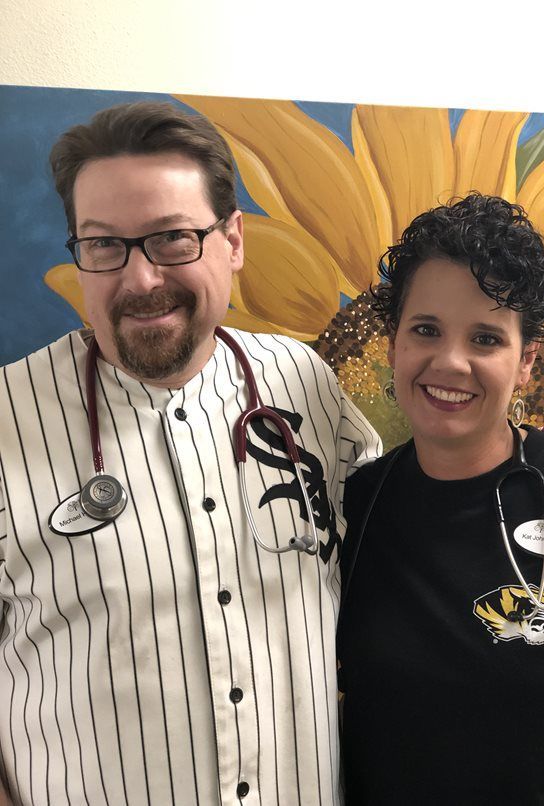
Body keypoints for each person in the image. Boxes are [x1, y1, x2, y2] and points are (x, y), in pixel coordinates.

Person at [0, 102, 380, 806]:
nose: (141, 280)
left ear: (233, 241)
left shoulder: (310, 387)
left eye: (173, 238)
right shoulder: (7, 421)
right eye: (105, 245)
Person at [337, 194, 544, 805]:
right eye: (426, 330)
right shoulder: (359, 503)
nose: (450, 362)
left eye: (485, 338)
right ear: (394, 343)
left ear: (526, 363)